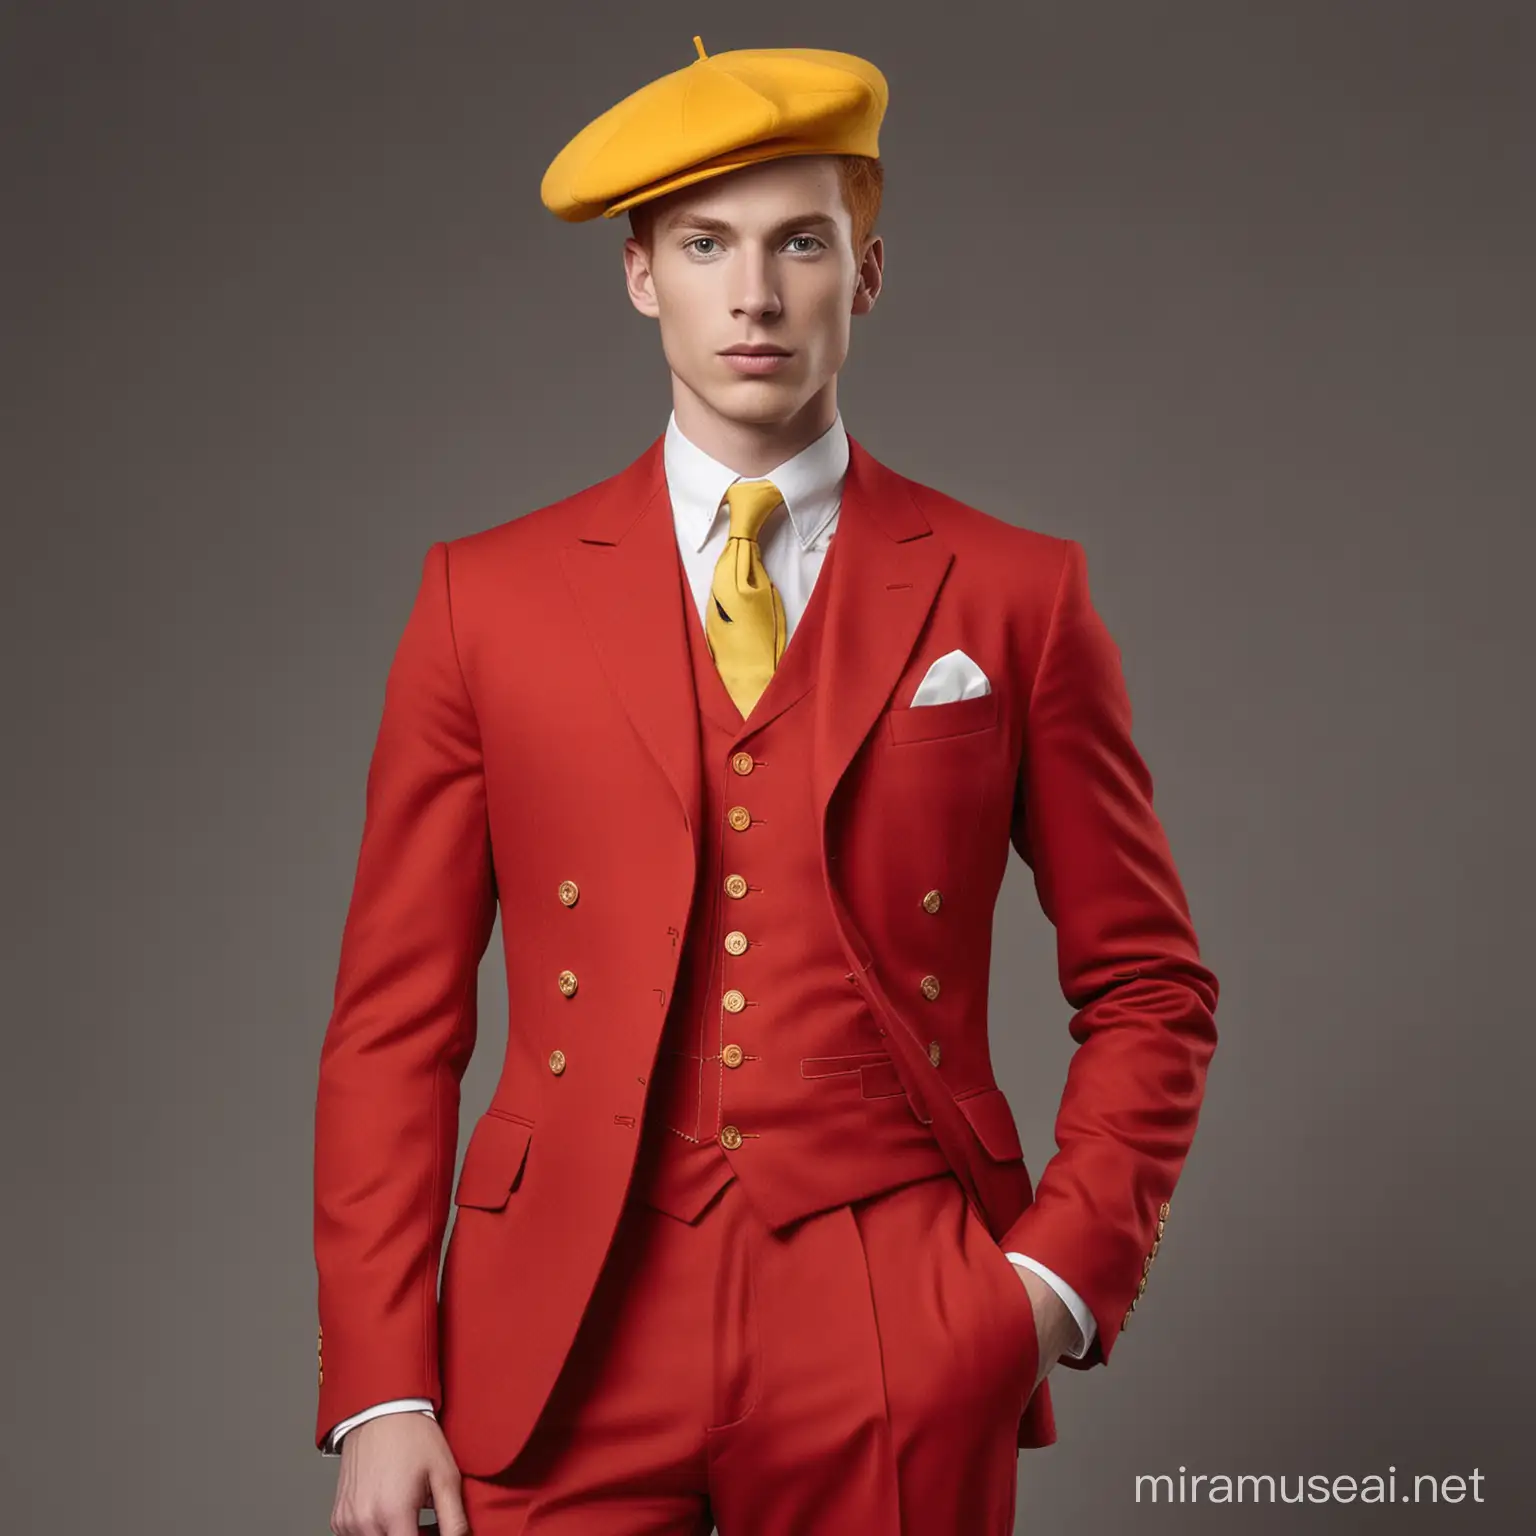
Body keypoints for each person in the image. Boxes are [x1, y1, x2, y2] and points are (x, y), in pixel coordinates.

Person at [313, 37, 1218, 1536]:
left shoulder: (1015, 594)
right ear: (638, 274)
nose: (754, 294)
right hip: (560, 1324)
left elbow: (1150, 983)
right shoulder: (485, 598)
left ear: (866, 272)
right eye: (705, 244)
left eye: (801, 241)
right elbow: (392, 1024)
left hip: (896, 1316)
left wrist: (1048, 1288)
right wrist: (385, 1386)